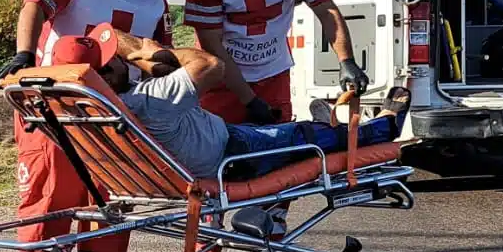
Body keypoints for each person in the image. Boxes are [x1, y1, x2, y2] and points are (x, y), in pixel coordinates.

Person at [0, 0, 173, 252]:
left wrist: (136, 79)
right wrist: (25, 55)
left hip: (111, 108)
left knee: (112, 199)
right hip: (54, 104)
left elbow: (162, 54)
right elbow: (35, 2)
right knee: (48, 194)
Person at [182, 0, 370, 235]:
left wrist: (347, 61)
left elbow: (327, 11)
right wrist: (247, 100)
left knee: (280, 157)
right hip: (221, 81)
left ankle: (270, 238)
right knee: (211, 164)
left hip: (272, 74)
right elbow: (211, 46)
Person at [62, 23, 407, 183]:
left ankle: (322, 124)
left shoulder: (84, 110)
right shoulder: (150, 101)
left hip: (205, 150)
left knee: (286, 133)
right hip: (230, 156)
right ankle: (384, 126)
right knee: (304, 139)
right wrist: (148, 52)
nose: (123, 60)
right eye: (114, 59)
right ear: (106, 75)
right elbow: (211, 67)